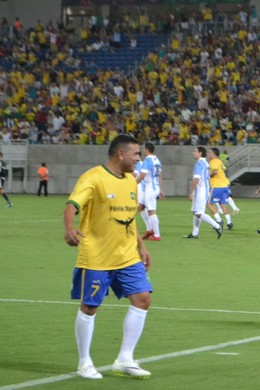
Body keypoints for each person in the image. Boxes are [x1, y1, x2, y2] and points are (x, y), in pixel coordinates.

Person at [63, 134, 153, 380]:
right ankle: (84, 362)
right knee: (90, 306)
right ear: (121, 154)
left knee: (143, 299)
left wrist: (141, 246)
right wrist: (70, 227)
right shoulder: (93, 177)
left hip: (126, 255)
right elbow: (72, 204)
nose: (138, 159)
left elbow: (129, 219)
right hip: (97, 256)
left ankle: (125, 359)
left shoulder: (131, 182)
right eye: (136, 154)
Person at [184, 147, 223, 239]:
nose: (193, 153)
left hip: (200, 191)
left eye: (195, 151)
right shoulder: (206, 163)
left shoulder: (199, 163)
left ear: (200, 153)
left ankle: (217, 226)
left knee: (198, 213)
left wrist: (191, 192)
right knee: (196, 212)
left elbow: (196, 179)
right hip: (204, 190)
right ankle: (194, 233)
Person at [136, 143, 164, 241]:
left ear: (146, 149)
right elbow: (160, 175)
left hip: (150, 188)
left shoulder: (147, 160)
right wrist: (160, 189)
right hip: (154, 187)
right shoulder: (157, 160)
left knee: (151, 211)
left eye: (144, 149)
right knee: (141, 207)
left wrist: (133, 183)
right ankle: (149, 229)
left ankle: (156, 234)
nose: (143, 151)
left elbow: (142, 175)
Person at [207, 147, 235, 230]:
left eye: (209, 153)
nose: (208, 154)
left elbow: (215, 171)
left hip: (217, 185)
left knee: (208, 203)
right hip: (225, 185)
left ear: (213, 154)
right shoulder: (219, 161)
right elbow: (223, 170)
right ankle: (229, 222)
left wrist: (208, 176)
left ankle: (219, 221)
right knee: (222, 203)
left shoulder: (213, 161)